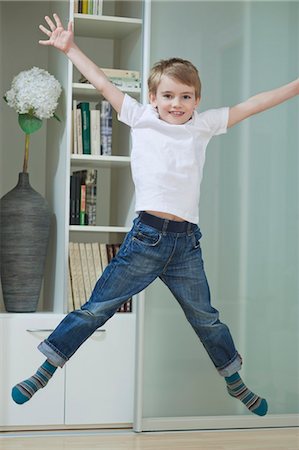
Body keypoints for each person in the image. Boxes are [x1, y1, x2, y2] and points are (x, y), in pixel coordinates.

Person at [12, 13, 298, 416]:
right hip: (146, 239)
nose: (176, 104)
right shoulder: (141, 118)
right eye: (168, 96)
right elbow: (102, 83)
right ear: (153, 99)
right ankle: (46, 369)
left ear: (197, 100)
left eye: (185, 96)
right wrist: (70, 47)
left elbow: (254, 104)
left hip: (186, 245)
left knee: (206, 318)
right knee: (96, 308)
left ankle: (234, 380)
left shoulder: (204, 125)